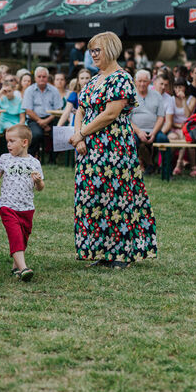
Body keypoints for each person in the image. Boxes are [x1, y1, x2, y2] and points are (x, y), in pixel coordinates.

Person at [69, 32, 156, 268]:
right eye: (91, 51)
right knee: (92, 198)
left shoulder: (122, 78)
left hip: (113, 148)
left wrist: (82, 133)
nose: (93, 55)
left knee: (117, 199)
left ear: (110, 49)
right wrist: (79, 138)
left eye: (97, 50)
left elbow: (110, 114)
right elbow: (80, 109)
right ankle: (101, 252)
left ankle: (122, 254)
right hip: (88, 149)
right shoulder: (94, 79)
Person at [0, 123, 43, 281]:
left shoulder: (34, 163)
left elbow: (40, 187)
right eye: (7, 141)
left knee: (23, 237)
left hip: (27, 208)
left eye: (12, 141)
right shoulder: (5, 159)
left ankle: (16, 266)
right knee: (15, 235)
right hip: (7, 206)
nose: (8, 144)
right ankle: (24, 268)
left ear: (24, 142)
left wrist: (38, 181)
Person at [129, 69, 170, 173]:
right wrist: (138, 131)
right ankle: (135, 168)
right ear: (135, 81)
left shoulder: (157, 96)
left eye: (145, 81)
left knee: (164, 139)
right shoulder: (130, 96)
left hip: (153, 130)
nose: (142, 84)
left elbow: (161, 117)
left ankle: (166, 170)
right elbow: (126, 119)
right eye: (140, 81)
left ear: (149, 82)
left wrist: (154, 132)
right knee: (131, 140)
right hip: (136, 130)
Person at [23, 66, 63, 158]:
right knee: (36, 134)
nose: (41, 78)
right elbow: (28, 111)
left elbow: (58, 110)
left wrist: (46, 121)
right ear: (35, 78)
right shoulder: (29, 90)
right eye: (39, 76)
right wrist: (41, 122)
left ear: (47, 78)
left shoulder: (54, 90)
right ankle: (31, 157)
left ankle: (52, 158)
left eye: (44, 77)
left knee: (58, 134)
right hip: (34, 120)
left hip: (51, 118)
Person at [169, 78, 196, 176]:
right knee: (180, 136)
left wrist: (183, 100)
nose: (178, 90)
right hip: (175, 127)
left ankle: (179, 164)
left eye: (180, 87)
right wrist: (178, 126)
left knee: (186, 137)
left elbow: (187, 115)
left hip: (189, 127)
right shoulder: (171, 99)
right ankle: (186, 165)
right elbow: (170, 120)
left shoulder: (192, 99)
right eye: (176, 87)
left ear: (185, 88)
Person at [0, 75, 24, 154]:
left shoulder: (20, 100)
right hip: (5, 121)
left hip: (17, 121)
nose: (8, 93)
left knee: (22, 132)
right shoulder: (2, 99)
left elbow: (22, 118)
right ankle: (11, 152)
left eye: (9, 91)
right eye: (6, 91)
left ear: (13, 90)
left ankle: (20, 152)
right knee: (9, 130)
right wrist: (0, 93)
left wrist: (20, 126)